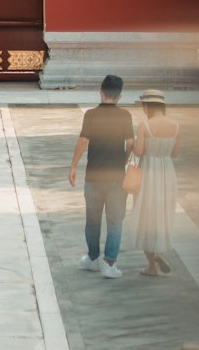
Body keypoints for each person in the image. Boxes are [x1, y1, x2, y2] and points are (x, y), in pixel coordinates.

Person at [68, 73, 135, 279]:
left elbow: (82, 142)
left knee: (93, 219)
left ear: (101, 92)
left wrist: (72, 167)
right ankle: (109, 263)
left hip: (93, 176)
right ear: (119, 96)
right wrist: (122, 161)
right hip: (116, 177)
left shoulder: (91, 115)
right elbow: (131, 143)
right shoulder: (125, 115)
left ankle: (93, 257)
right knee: (115, 221)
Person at [128, 87, 181, 275]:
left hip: (148, 172)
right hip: (167, 172)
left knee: (145, 216)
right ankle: (158, 252)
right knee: (161, 214)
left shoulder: (145, 125)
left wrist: (133, 143)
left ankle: (152, 264)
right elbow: (175, 153)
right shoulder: (176, 126)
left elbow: (139, 152)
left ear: (147, 106)